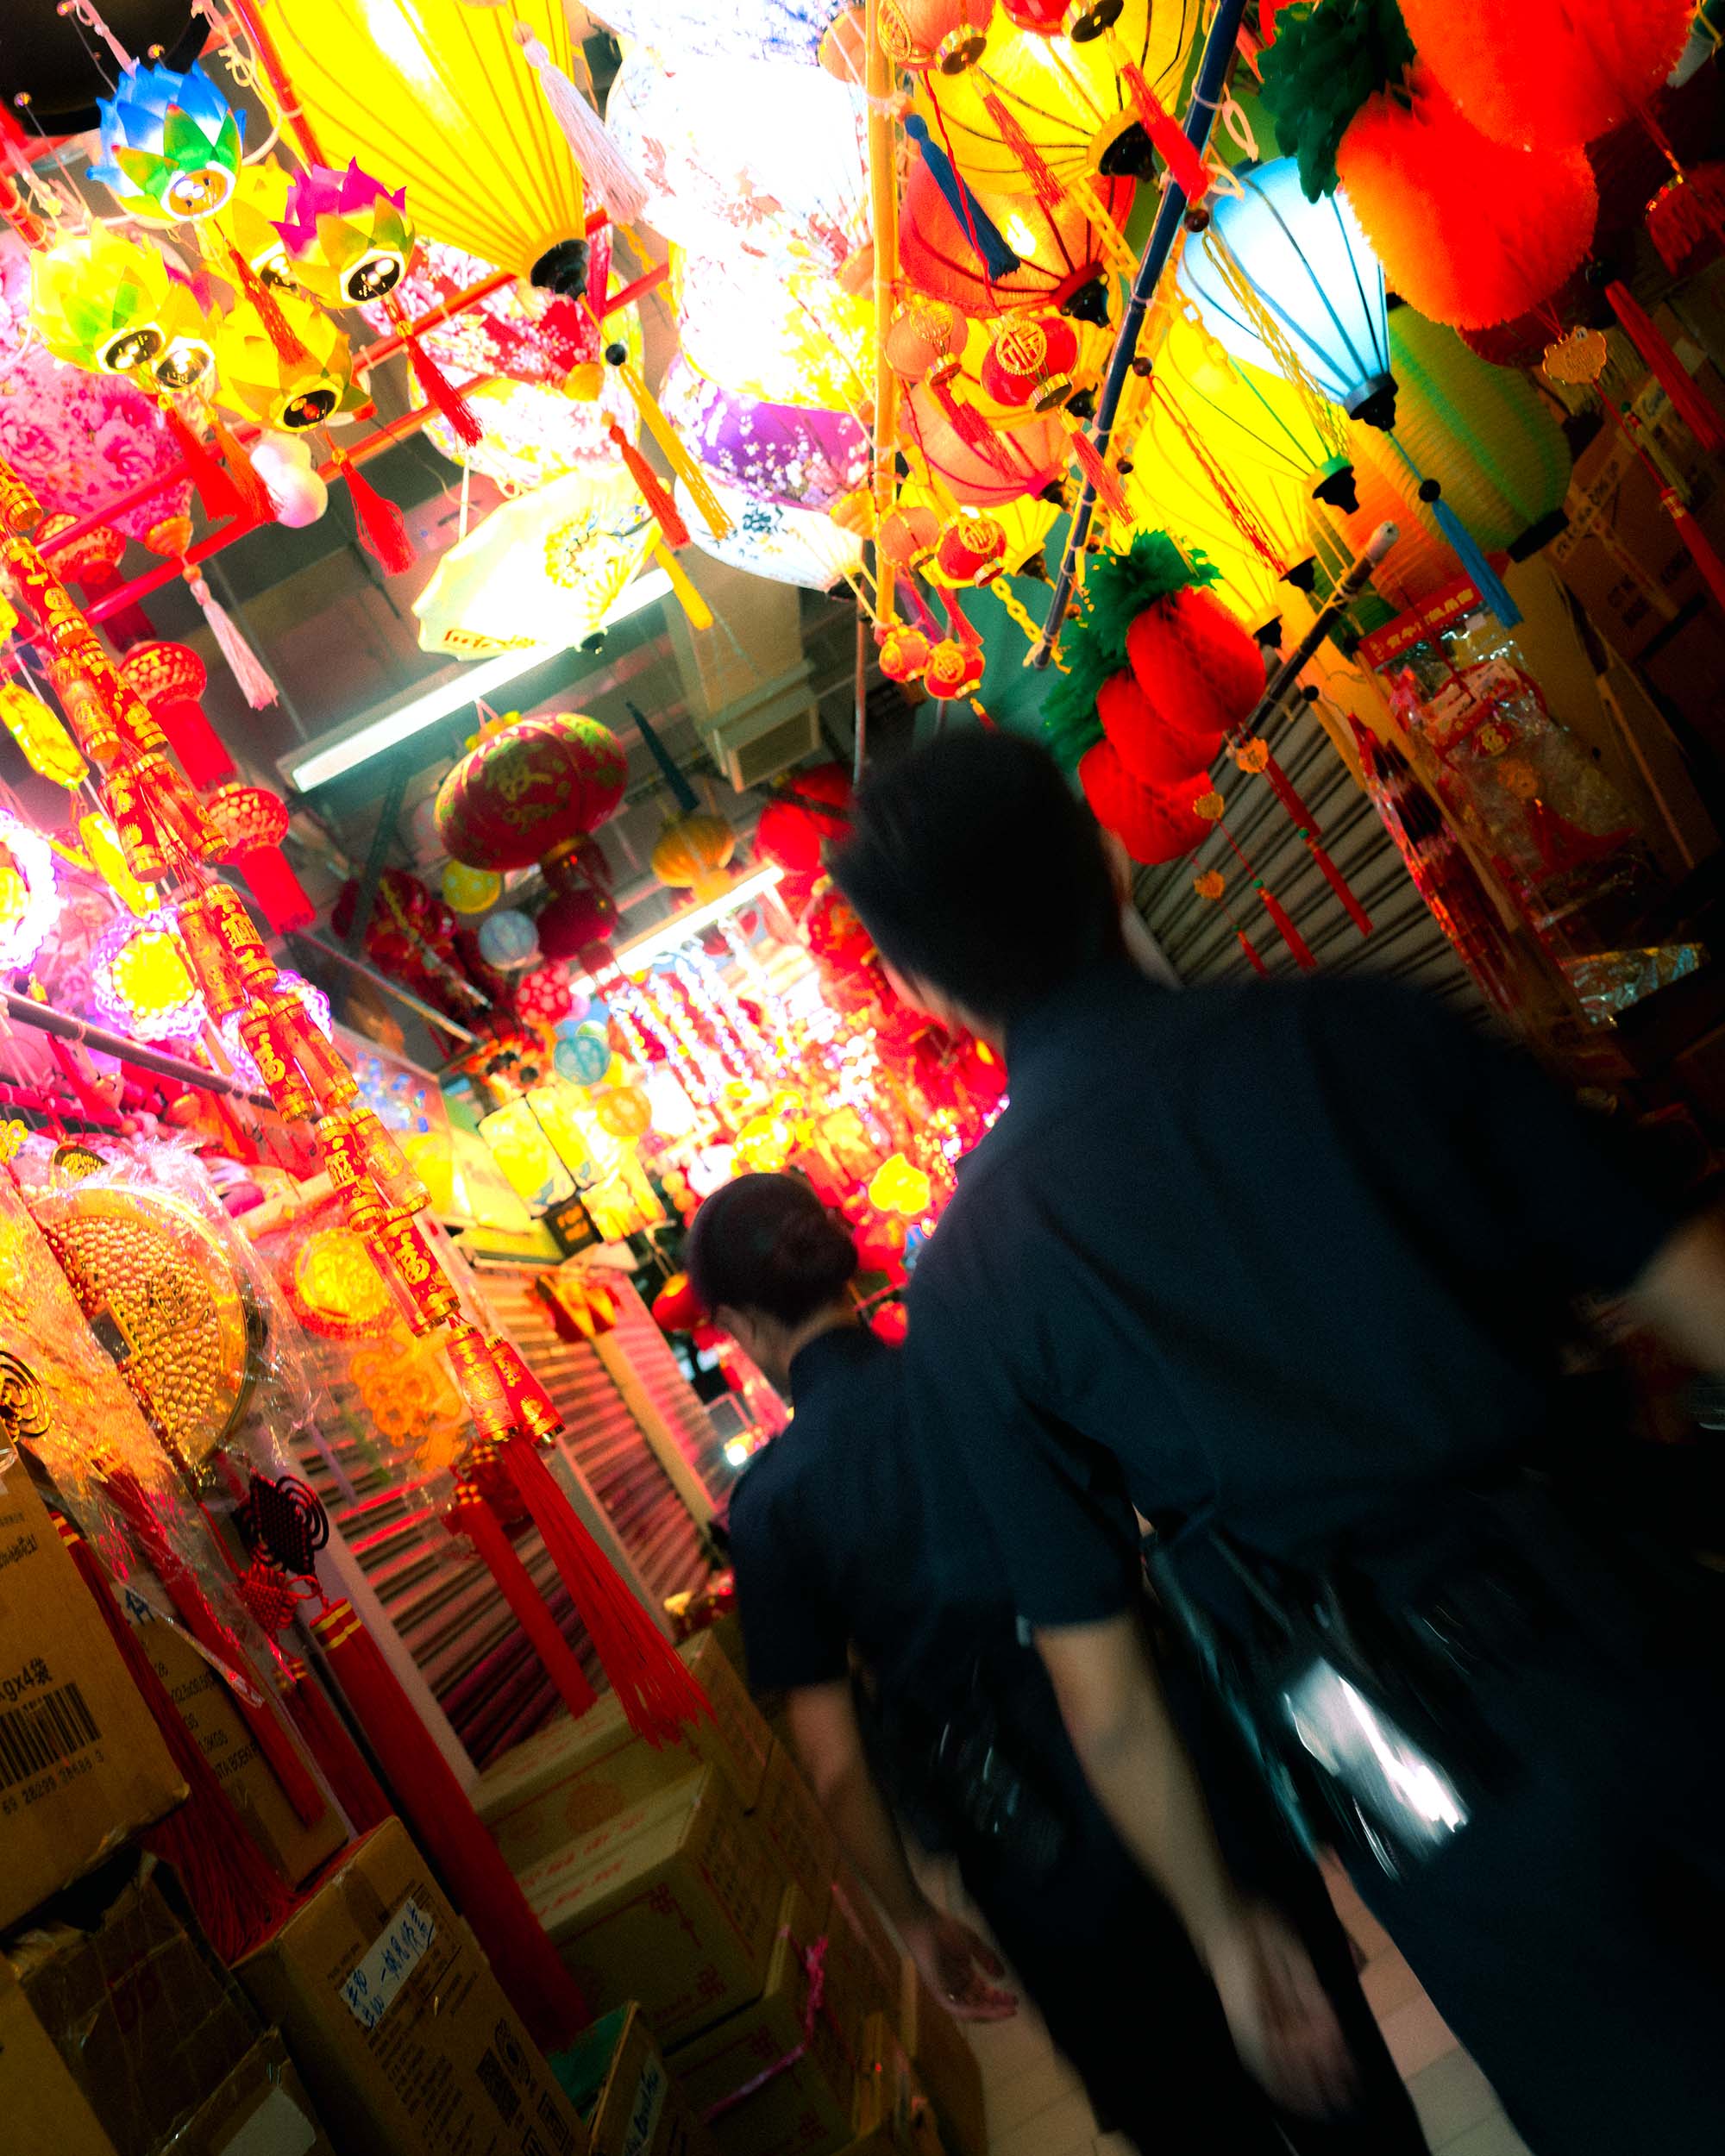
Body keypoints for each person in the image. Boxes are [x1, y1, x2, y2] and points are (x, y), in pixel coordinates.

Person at [828, 727, 1725, 2156]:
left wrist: (1227, 1928)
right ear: (1109, 856)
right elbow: (1695, 1289)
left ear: (920, 986)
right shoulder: (1368, 1028)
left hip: (1419, 1759)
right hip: (1657, 1606)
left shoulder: (978, 1281)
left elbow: (1103, 1689)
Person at [690, 1171, 1430, 2154]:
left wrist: (915, 1922)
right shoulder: (988, 1374)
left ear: (740, 1322)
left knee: (1194, 2125)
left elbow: (833, 1765)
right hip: (1184, 1764)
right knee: (1338, 2081)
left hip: (1039, 1853)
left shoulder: (773, 1509)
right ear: (841, 1263)